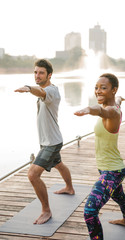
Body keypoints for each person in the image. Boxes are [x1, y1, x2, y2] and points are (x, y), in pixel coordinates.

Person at [15, 59, 75, 225]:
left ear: (49, 75)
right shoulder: (44, 90)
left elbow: (40, 93)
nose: (37, 75)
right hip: (51, 140)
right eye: (35, 72)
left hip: (51, 143)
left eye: (41, 72)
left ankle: (46, 210)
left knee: (33, 175)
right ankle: (69, 188)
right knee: (59, 164)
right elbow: (40, 92)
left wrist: (28, 88)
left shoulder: (51, 91)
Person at [74, 73, 125, 240]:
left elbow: (100, 110)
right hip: (110, 169)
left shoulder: (112, 112)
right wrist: (120, 97)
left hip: (112, 172)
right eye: (96, 88)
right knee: (120, 197)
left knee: (90, 211)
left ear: (113, 90)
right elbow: (117, 101)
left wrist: (88, 109)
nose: (98, 91)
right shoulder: (116, 104)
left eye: (103, 88)